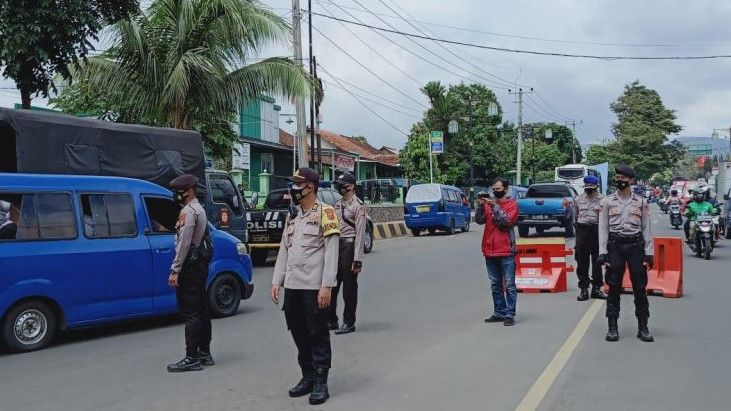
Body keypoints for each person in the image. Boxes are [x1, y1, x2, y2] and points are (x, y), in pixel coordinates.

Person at [271, 167, 340, 405]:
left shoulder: (327, 213)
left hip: (314, 286)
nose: (293, 189)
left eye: (297, 185)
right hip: (293, 286)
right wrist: (276, 281)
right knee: (297, 330)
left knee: (317, 332)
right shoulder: (293, 216)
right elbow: (284, 249)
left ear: (310, 187)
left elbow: (332, 252)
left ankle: (321, 380)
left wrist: (327, 286)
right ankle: (307, 375)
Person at [598, 164, 654, 342]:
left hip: (636, 246)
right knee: (613, 287)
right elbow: (603, 228)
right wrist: (603, 252)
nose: (620, 180)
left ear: (631, 180)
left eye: (624, 178)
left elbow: (647, 228)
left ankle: (643, 327)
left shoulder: (641, 202)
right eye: (618, 177)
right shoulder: (607, 202)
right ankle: (612, 327)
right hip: (615, 246)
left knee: (639, 287)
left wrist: (649, 253)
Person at [167, 174, 214, 372]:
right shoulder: (198, 209)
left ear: (190, 191)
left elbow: (184, 243)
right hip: (199, 266)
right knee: (201, 309)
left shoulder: (189, 211)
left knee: (191, 312)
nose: (177, 194)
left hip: (190, 266)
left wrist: (175, 269)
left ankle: (192, 357)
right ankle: (204, 353)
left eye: (180, 191)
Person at [475, 178, 519, 326]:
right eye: (493, 189)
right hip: (489, 250)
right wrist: (481, 206)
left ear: (506, 189)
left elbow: (507, 222)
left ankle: (509, 313)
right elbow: (479, 221)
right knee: (495, 284)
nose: (495, 192)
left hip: (506, 250)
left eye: (498, 189)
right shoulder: (489, 204)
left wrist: (495, 207)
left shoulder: (512, 204)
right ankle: (499, 311)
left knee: (509, 284)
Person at [329, 172, 368, 335]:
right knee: (331, 284)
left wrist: (357, 259)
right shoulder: (338, 204)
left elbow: (360, 233)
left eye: (342, 184)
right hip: (337, 245)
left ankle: (349, 321)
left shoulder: (358, 206)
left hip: (350, 246)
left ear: (351, 186)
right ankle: (331, 320)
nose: (339, 187)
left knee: (349, 288)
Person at [573, 175, 607, 301]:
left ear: (597, 187)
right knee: (582, 261)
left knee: (598, 261)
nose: (589, 190)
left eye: (591, 187)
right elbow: (575, 217)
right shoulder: (578, 199)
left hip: (597, 231)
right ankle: (583, 289)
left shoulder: (603, 199)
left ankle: (597, 289)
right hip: (582, 231)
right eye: (587, 187)